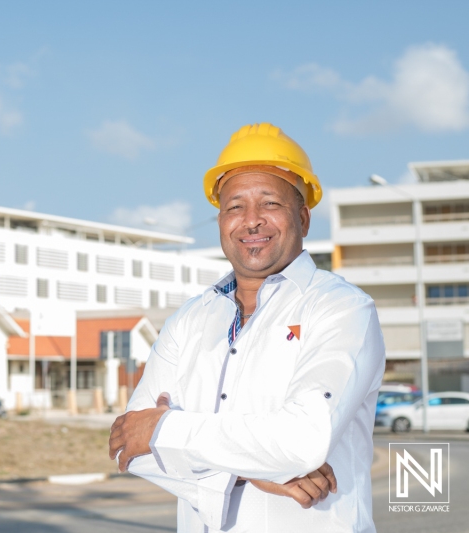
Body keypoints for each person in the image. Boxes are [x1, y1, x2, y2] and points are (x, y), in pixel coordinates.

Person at [108, 123, 385, 532]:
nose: (251, 221)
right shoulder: (189, 320)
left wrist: (164, 429)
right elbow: (126, 447)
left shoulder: (342, 309)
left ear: (304, 218)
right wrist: (259, 472)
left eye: (270, 203)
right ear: (221, 220)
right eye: (235, 206)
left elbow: (302, 439)